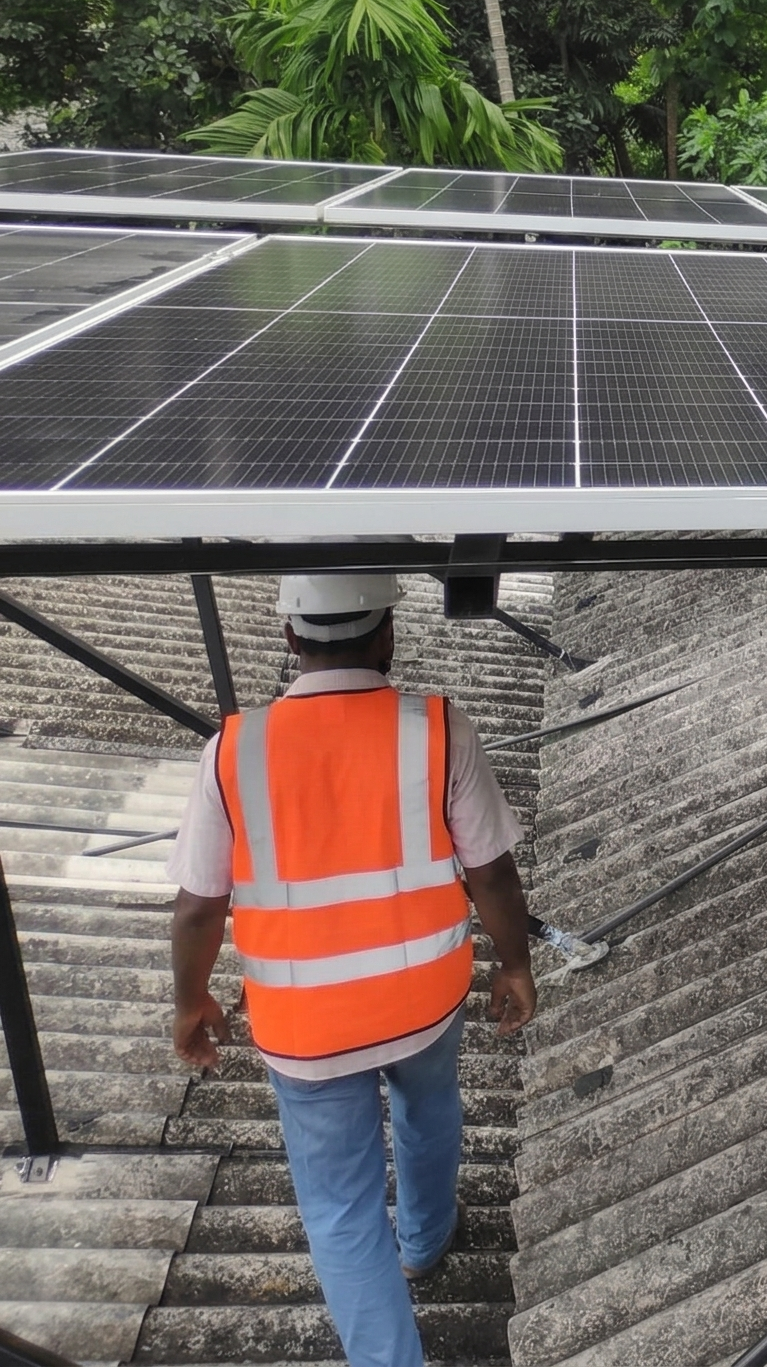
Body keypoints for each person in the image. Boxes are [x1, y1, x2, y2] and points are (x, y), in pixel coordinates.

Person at [168, 573, 535, 1367]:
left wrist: (190, 1001)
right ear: (387, 634)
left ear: (290, 636)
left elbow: (198, 907)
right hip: (423, 997)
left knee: (340, 1211)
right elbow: (493, 873)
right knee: (429, 1107)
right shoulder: (438, 729)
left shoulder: (232, 749)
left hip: (306, 1026)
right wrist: (515, 964)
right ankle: (425, 1243)